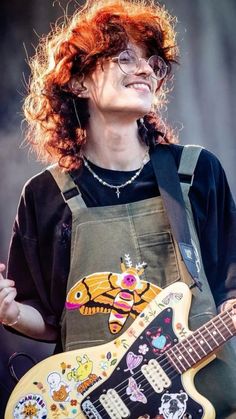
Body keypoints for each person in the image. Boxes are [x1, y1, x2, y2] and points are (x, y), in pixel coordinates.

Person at [0, 0, 236, 417]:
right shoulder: (44, 194)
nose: (146, 70)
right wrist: (12, 312)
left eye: (152, 63)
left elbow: (228, 293)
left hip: (205, 402)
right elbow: (51, 319)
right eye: (125, 58)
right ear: (78, 82)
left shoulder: (197, 173)